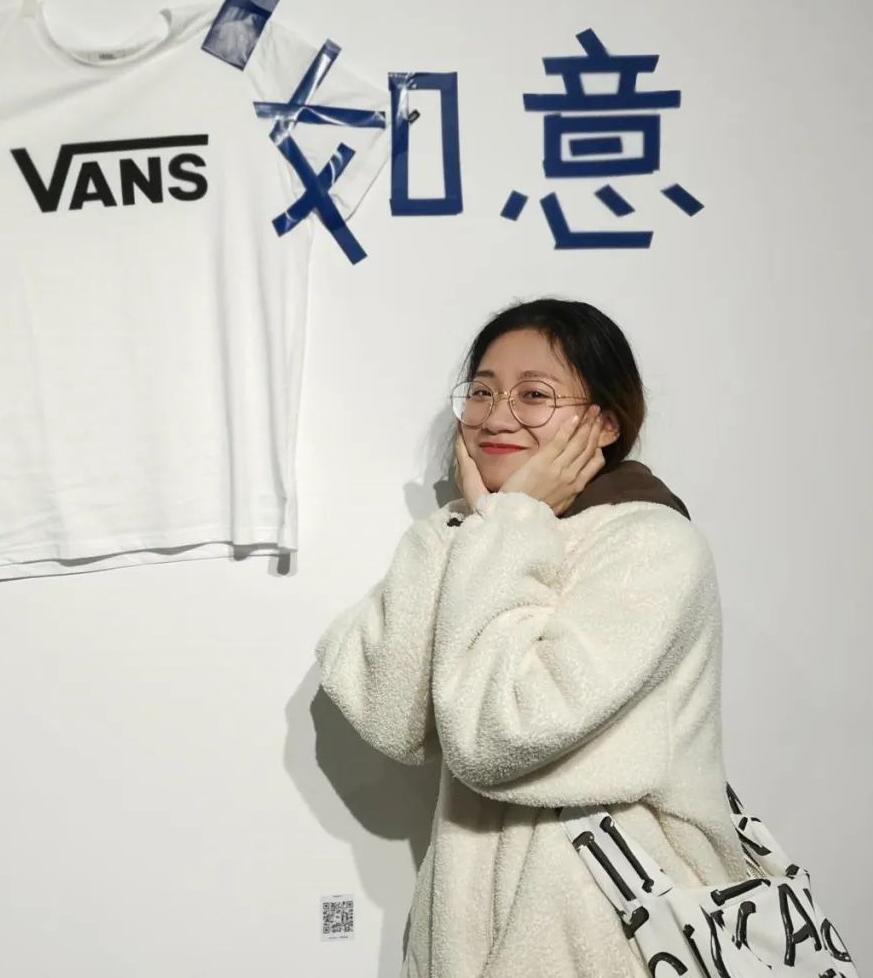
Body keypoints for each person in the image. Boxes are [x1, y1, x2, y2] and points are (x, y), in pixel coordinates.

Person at [314, 298, 751, 978]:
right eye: (482, 391)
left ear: (605, 422)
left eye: (534, 395)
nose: (496, 416)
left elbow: (500, 733)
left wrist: (509, 521)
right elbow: (385, 711)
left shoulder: (651, 544)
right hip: (463, 923)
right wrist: (473, 525)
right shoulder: (479, 534)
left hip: (605, 927)